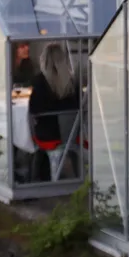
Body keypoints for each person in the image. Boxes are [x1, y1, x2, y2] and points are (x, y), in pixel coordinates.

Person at [26, 43, 80, 181]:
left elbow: (33, 109)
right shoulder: (72, 82)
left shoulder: (40, 82)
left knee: (30, 135)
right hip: (72, 134)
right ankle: (76, 174)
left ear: (44, 60)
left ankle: (35, 177)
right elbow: (79, 105)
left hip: (49, 136)